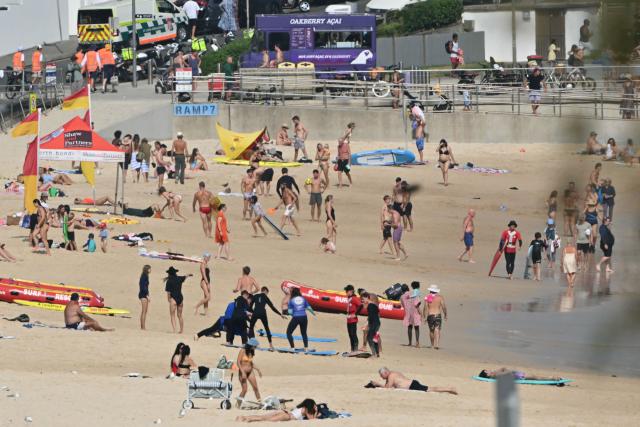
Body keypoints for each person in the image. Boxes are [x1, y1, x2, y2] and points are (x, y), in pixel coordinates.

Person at [369, 367, 457, 395]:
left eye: (381, 375)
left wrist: (377, 384)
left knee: (431, 389)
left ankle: (449, 388)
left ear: (385, 372)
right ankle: (448, 389)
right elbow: (388, 386)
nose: (381, 377)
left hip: (412, 385)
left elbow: (387, 388)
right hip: (412, 383)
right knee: (430, 388)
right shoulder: (392, 374)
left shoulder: (391, 375)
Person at [236, 399, 317, 423]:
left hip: (283, 412)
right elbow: (312, 419)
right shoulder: (306, 410)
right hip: (287, 416)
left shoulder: (301, 407)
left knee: (263, 417)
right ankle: (248, 419)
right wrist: (316, 411)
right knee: (265, 419)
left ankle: (243, 417)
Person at [164, 266, 192, 334]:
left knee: (172, 315)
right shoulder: (179, 278)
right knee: (180, 315)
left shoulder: (169, 281)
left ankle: (174, 330)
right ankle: (181, 330)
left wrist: (169, 300)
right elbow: (185, 276)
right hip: (180, 298)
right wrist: (189, 274)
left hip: (173, 299)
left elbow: (168, 293)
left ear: (169, 274)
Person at [236, 338, 262, 406]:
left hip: (250, 372)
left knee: (255, 388)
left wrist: (258, 369)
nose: (256, 347)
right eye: (255, 346)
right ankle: (238, 404)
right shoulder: (242, 350)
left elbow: (251, 363)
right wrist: (243, 372)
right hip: (243, 372)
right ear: (251, 345)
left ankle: (260, 403)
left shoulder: (251, 352)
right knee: (245, 390)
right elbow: (238, 362)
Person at [422, 285, 447, 349]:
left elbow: (425, 307)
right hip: (438, 315)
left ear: (430, 290)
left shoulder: (427, 297)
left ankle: (432, 345)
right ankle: (437, 345)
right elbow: (443, 306)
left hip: (430, 315)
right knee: (437, 329)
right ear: (436, 291)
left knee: (431, 330)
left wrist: (424, 317)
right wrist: (445, 315)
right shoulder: (440, 297)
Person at [343, 285, 362, 352]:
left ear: (351, 291)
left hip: (353, 320)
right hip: (349, 319)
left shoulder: (354, 298)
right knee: (350, 335)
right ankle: (352, 349)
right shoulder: (349, 298)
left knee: (353, 334)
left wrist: (355, 314)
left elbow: (360, 305)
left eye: (347, 291)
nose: (346, 293)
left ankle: (355, 349)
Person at [362, 292, 381, 357]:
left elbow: (371, 316)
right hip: (377, 323)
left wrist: (367, 325)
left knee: (369, 338)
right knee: (374, 338)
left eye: (363, 299)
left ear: (367, 298)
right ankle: (377, 353)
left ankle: (374, 354)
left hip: (374, 323)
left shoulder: (370, 306)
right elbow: (377, 314)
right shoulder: (374, 305)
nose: (363, 301)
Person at [478, 368, 560, 382]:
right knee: (536, 377)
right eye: (487, 371)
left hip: (516, 374)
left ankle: (553, 378)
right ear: (487, 374)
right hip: (518, 376)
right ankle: (553, 379)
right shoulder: (494, 375)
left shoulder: (494, 374)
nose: (489, 370)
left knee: (536, 376)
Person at [138, 265, 151, 330]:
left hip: (144, 294)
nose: (150, 270)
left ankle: (143, 326)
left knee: (145, 311)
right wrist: (147, 295)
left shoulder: (145, 276)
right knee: (144, 311)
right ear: (147, 269)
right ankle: (142, 327)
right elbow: (143, 287)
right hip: (143, 295)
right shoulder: (144, 276)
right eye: (149, 269)